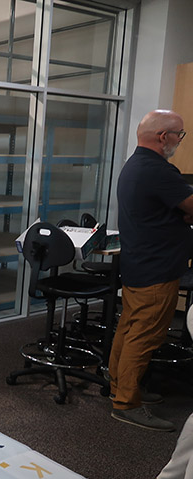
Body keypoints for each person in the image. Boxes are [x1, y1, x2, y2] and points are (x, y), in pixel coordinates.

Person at [109, 109, 193, 431]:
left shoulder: (135, 165)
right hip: (157, 270)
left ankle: (119, 387)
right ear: (163, 137)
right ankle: (126, 403)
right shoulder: (158, 170)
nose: (179, 141)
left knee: (129, 329)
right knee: (144, 336)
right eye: (179, 135)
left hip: (139, 264)